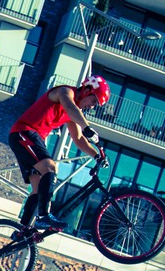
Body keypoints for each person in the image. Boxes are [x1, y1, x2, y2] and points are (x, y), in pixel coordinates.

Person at [8, 75, 111, 231]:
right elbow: (70, 106)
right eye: (93, 101)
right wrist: (87, 127)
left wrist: (97, 155)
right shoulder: (64, 92)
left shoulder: (73, 113)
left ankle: (22, 231)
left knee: (38, 189)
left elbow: (78, 139)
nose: (91, 107)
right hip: (24, 133)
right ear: (87, 90)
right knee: (50, 167)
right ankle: (43, 216)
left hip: (32, 138)